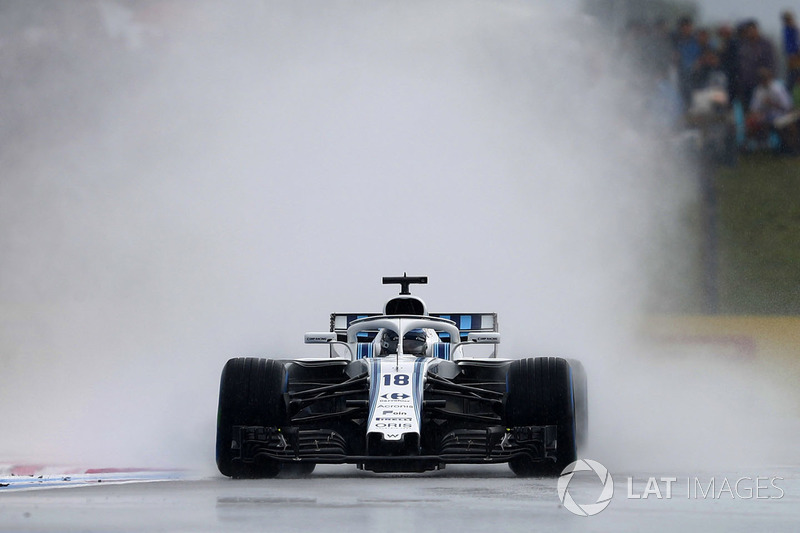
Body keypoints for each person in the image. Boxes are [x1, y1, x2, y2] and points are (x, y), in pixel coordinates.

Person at [746, 68, 796, 151]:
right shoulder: (759, 90)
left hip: (781, 115)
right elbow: (754, 108)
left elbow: (788, 106)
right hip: (766, 117)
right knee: (751, 122)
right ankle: (755, 146)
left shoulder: (778, 88)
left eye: (765, 78)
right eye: (761, 79)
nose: (764, 81)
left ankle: (789, 147)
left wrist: (772, 103)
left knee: (785, 125)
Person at [737, 20, 777, 112]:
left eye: (752, 30)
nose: (750, 33)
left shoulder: (766, 44)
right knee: (748, 110)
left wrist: (769, 76)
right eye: (748, 31)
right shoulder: (744, 45)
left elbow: (772, 63)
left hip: (762, 83)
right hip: (747, 84)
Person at [782, 11, 800, 94]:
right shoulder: (786, 30)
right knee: (790, 83)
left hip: (795, 57)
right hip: (792, 59)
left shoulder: (794, 30)